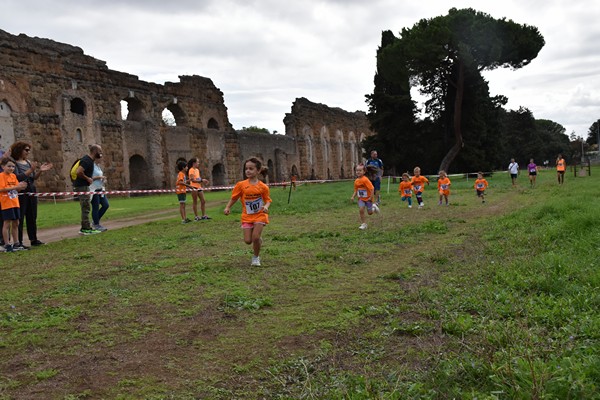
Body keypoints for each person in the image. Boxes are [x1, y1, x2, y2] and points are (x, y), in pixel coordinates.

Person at [224, 157, 272, 267]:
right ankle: (258, 241)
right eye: (246, 168)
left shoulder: (263, 187)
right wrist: (227, 207)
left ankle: (256, 258)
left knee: (255, 237)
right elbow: (234, 198)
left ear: (258, 171)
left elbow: (268, 200)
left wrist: (266, 206)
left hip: (260, 215)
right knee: (248, 240)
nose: (248, 171)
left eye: (251, 168)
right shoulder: (241, 185)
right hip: (247, 216)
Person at [11, 141, 53, 247]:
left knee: (32, 215)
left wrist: (40, 171)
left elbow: (33, 178)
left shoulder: (29, 163)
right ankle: (18, 242)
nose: (28, 152)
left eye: (29, 150)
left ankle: (33, 239)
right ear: (19, 150)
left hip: (31, 190)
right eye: (26, 150)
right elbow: (17, 177)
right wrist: (31, 170)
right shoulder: (14, 164)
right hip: (21, 192)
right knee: (20, 217)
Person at [73, 144, 103, 235]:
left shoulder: (89, 160)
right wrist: (87, 178)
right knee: (85, 207)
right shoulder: (87, 160)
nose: (101, 153)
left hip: (84, 185)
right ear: (95, 151)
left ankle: (87, 227)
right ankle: (85, 229)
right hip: (82, 186)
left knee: (86, 206)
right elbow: (79, 172)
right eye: (100, 151)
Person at [0, 157, 28, 252]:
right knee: (7, 223)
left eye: (13, 166)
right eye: (9, 166)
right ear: (3, 166)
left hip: (15, 202)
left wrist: (21, 187)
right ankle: (7, 244)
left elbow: (16, 188)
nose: (11, 168)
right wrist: (16, 186)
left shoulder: (13, 176)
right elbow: (2, 189)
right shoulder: (1, 176)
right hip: (6, 203)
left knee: (16, 222)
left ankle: (16, 243)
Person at [350, 163, 377, 230]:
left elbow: (372, 188)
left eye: (360, 170)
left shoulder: (365, 179)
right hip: (361, 199)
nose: (358, 172)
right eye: (357, 170)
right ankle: (364, 224)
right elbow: (356, 190)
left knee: (370, 213)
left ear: (364, 172)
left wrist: (371, 197)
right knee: (361, 210)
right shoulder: (356, 181)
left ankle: (374, 208)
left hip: (368, 198)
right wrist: (353, 196)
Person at [90, 156, 109, 232]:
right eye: (100, 158)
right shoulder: (91, 166)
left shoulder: (98, 167)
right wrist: (99, 177)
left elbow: (100, 177)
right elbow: (90, 178)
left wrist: (103, 180)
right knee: (96, 207)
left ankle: (95, 221)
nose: (102, 159)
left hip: (100, 189)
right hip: (93, 189)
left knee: (105, 205)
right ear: (96, 158)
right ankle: (96, 224)